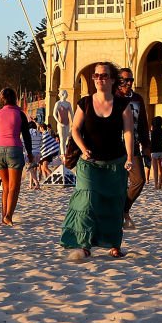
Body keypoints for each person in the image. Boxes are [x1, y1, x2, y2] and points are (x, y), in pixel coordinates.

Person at [60, 61, 135, 259]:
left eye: (103, 75)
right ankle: (84, 245)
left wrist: (129, 156)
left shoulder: (122, 105)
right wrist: (83, 149)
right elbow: (75, 129)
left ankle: (114, 244)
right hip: (89, 163)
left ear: (112, 80)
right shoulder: (84, 103)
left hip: (115, 162)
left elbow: (128, 132)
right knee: (87, 203)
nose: (99, 79)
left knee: (113, 203)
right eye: (96, 75)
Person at [0, 88, 33, 226]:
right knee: (14, 187)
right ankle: (8, 216)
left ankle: (3, 216)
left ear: (2, 99)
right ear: (15, 98)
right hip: (14, 149)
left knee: (5, 186)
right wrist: (29, 154)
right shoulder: (20, 114)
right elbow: (26, 136)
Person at [116, 67, 149, 228]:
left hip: (134, 146)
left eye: (131, 80)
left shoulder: (137, 98)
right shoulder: (112, 97)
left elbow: (143, 123)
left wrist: (147, 146)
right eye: (125, 80)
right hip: (114, 147)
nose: (128, 83)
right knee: (116, 183)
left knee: (139, 180)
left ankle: (123, 209)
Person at [150, 116, 162, 190]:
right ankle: (160, 184)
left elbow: (152, 142)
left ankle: (156, 185)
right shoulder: (161, 130)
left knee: (155, 169)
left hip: (154, 151)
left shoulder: (153, 131)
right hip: (160, 150)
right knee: (160, 168)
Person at [28, 122, 42, 190]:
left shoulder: (28, 132)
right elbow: (41, 143)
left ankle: (36, 183)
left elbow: (24, 142)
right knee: (34, 169)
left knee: (30, 168)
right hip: (38, 153)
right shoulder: (39, 133)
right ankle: (30, 184)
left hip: (31, 153)